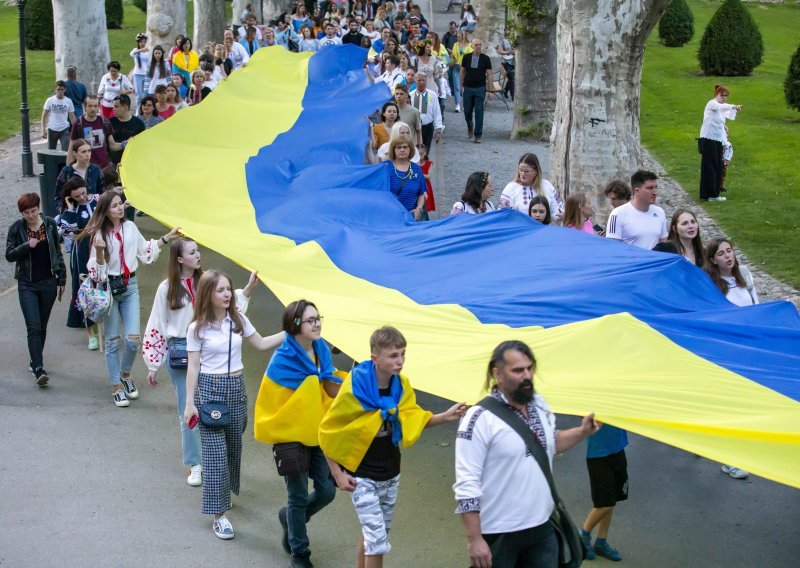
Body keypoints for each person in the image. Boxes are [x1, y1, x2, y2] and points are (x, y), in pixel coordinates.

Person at [319, 326, 466, 568]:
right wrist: (337, 473)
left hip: (391, 473)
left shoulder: (402, 386)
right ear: (375, 358)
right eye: (393, 355)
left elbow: (412, 418)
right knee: (377, 541)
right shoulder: (355, 386)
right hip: (361, 476)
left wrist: (446, 416)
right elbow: (329, 431)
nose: (400, 361)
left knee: (373, 535)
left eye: (402, 354)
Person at [453, 340, 600, 568]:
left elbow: (549, 444)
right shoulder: (478, 418)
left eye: (530, 368)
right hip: (499, 532)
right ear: (497, 374)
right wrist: (474, 539)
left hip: (543, 526)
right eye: (518, 370)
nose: (527, 376)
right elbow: (466, 483)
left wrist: (582, 432)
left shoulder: (540, 405)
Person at [144, 239, 259, 486]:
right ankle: (196, 464)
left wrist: (247, 290)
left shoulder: (206, 280)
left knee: (211, 406)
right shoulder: (167, 288)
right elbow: (157, 322)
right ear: (179, 259)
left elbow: (229, 306)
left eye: (198, 251)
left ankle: (215, 459)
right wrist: (152, 362)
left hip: (209, 349)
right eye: (192, 252)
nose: (198, 255)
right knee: (188, 408)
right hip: (180, 349)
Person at [183, 270, 284, 539]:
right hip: (209, 391)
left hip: (236, 390)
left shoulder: (238, 319)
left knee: (232, 450)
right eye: (221, 290)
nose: (227, 294)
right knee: (215, 456)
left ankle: (223, 492)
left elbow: (261, 344)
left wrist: (290, 333)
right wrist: (189, 403)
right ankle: (219, 516)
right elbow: (193, 366)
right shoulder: (196, 328)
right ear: (208, 294)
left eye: (228, 289)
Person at [254, 300, 343, 566]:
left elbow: (329, 389)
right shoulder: (283, 359)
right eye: (311, 320)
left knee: (327, 491)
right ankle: (300, 553)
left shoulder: (322, 351)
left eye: (318, 318)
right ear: (295, 325)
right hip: (291, 435)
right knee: (298, 495)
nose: (317, 324)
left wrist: (359, 382)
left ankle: (292, 519)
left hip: (316, 431)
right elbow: (270, 400)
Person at [82, 191, 180, 407]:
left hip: (129, 285)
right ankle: (116, 386)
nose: (120, 208)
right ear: (105, 210)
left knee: (133, 340)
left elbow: (145, 252)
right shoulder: (99, 234)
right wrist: (99, 253)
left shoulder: (130, 228)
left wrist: (166, 238)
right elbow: (96, 274)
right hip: (108, 287)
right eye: (115, 205)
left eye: (120, 204)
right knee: (112, 340)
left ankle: (126, 375)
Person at [5, 193, 66, 387]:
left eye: (33, 211)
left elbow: (57, 250)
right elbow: (9, 255)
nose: (30, 216)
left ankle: (34, 360)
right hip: (26, 283)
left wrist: (62, 278)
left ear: (38, 208)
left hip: (48, 282)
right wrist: (26, 246)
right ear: (21, 214)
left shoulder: (49, 224)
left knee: (42, 325)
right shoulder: (16, 228)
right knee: (33, 325)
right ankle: (39, 368)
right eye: (26, 213)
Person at [54, 177, 100, 349]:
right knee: (85, 288)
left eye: (83, 193)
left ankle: (105, 327)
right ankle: (90, 332)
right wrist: (71, 209)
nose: (81, 197)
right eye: (76, 196)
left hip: (102, 247)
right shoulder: (69, 210)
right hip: (81, 251)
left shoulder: (97, 199)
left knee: (104, 285)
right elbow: (65, 231)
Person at [578, 421, 628, 562]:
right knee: (605, 504)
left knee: (610, 501)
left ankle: (601, 542)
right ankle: (583, 535)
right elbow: (590, 425)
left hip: (618, 448)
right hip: (598, 454)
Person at [698, 85, 741, 202]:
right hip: (708, 139)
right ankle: (711, 194)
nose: (724, 98)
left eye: (726, 96)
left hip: (717, 140)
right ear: (716, 94)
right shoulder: (712, 104)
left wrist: (734, 109)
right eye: (722, 95)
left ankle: (711, 193)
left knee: (716, 166)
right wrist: (733, 106)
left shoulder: (721, 108)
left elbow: (728, 113)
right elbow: (721, 107)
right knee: (710, 166)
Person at [605, 170, 668, 250]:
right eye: (650, 188)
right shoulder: (617, 214)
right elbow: (612, 249)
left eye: (656, 187)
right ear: (637, 191)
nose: (654, 192)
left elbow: (663, 246)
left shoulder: (660, 212)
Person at [499, 153, 564, 223]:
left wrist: (562, 214)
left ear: (536, 172)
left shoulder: (547, 186)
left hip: (543, 230)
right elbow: (502, 213)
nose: (522, 174)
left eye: (526, 171)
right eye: (520, 170)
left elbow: (558, 210)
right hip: (520, 230)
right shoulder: (511, 188)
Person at [386, 135, 426, 220]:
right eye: (398, 147)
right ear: (393, 150)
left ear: (410, 149)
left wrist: (418, 209)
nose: (402, 150)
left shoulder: (416, 169)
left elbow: (421, 194)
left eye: (405, 147)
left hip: (410, 218)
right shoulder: (386, 167)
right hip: (389, 217)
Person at [56, 139, 104, 210]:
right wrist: (63, 209)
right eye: (83, 152)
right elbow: (58, 195)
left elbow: (102, 191)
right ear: (75, 153)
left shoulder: (96, 169)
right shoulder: (67, 171)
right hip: (73, 211)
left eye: (89, 151)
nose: (87, 155)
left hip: (94, 211)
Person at [459, 38, 491, 143]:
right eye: (476, 45)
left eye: (479, 45)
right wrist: (461, 85)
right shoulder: (466, 57)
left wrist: (490, 90)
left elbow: (489, 74)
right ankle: (469, 125)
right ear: (471, 46)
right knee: (467, 111)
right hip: (468, 87)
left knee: (479, 111)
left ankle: (478, 135)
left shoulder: (486, 59)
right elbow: (462, 71)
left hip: (480, 88)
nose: (478, 47)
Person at [409, 72, 443, 150]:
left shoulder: (432, 95)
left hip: (427, 127)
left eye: (423, 80)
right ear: (415, 80)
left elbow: (437, 113)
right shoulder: (410, 95)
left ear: (426, 80)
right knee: (414, 152)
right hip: (414, 128)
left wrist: (438, 130)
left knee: (425, 152)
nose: (421, 82)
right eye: (419, 80)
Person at [108, 95, 145, 166]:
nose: (113, 109)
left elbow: (142, 146)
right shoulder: (109, 122)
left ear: (125, 108)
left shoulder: (139, 123)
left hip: (132, 163)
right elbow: (110, 145)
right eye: (113, 106)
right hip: (114, 164)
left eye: (116, 106)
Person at [41, 81, 76, 151]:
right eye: (58, 89)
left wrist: (76, 130)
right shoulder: (50, 100)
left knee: (66, 150)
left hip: (64, 128)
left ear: (65, 90)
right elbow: (44, 115)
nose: (60, 92)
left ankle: (65, 162)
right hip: (52, 128)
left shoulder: (68, 101)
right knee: (51, 151)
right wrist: (43, 130)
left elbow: (72, 116)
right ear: (55, 90)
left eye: (62, 89)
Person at [130, 33, 152, 103]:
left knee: (146, 93)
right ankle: (138, 110)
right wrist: (141, 50)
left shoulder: (149, 52)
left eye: (144, 42)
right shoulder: (136, 50)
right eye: (141, 42)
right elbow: (131, 54)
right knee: (139, 94)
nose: (143, 43)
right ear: (138, 42)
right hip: (137, 74)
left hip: (146, 74)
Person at [496, 30, 515, 101]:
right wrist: (509, 52)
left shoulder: (517, 40)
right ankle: (513, 97)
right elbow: (499, 51)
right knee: (512, 79)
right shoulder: (503, 41)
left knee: (511, 79)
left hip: (515, 62)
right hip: (506, 62)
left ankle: (505, 91)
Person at [418, 144, 435, 214]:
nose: (420, 156)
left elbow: (429, 176)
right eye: (418, 154)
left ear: (425, 153)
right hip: (417, 185)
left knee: (425, 204)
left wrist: (419, 173)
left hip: (425, 186)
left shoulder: (429, 163)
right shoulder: (413, 163)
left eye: (422, 153)